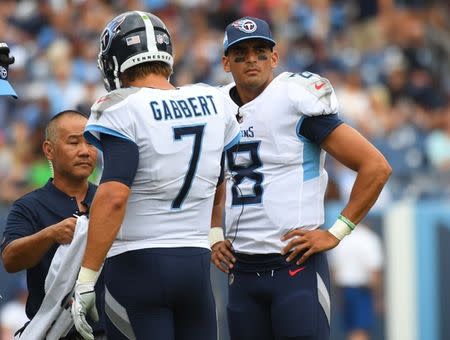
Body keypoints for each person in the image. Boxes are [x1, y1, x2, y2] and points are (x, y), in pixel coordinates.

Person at [210, 17, 392, 340]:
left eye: (260, 52)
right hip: (241, 272)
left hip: (294, 268)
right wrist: (213, 233)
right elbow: (213, 176)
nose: (252, 59)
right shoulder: (217, 108)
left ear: (275, 58)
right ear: (226, 62)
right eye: (241, 53)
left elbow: (375, 166)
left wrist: (336, 232)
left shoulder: (294, 99)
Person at [70, 11, 241, 340]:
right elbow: (220, 177)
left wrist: (87, 278)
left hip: (138, 266)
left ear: (115, 60)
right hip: (194, 265)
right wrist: (213, 230)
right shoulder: (213, 101)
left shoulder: (122, 106)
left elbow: (115, 195)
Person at [0, 109, 104, 339]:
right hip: (52, 331)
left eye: (91, 143)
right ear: (49, 150)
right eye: (74, 142)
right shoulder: (29, 206)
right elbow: (10, 259)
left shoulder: (108, 202)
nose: (85, 151)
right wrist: (49, 235)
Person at [328, 222, 384, 340]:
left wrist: (337, 295)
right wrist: (378, 298)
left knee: (350, 330)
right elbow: (374, 272)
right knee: (361, 331)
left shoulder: (341, 238)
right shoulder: (370, 239)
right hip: (362, 291)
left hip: (343, 289)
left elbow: (334, 271)